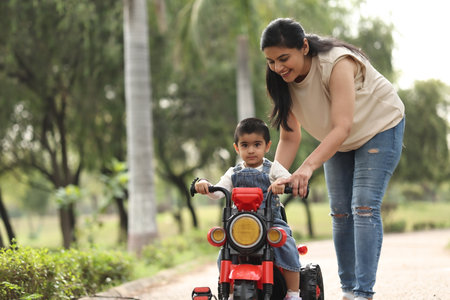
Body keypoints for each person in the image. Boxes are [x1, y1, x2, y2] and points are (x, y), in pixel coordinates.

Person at [259, 18, 405, 300]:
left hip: (379, 127)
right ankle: (348, 290)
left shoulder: (336, 63)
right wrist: (273, 180)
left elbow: (342, 126)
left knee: (363, 206)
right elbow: (290, 137)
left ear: (303, 47)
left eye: (284, 58)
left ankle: (362, 293)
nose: (278, 68)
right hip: (339, 139)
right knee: (339, 211)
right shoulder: (281, 80)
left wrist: (306, 168)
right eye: (271, 61)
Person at [195, 117, 302, 300]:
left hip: (270, 222)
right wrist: (205, 185)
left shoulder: (273, 168)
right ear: (237, 148)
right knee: (224, 253)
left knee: (287, 244)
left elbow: (290, 180)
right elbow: (219, 192)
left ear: (267, 146)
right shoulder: (233, 172)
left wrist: (281, 183)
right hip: (239, 225)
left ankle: (293, 293)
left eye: (257, 144)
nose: (251, 150)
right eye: (245, 145)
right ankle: (227, 292)